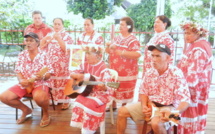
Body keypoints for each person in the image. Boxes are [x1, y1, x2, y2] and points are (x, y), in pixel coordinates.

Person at [116, 44, 191, 134]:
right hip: (151, 105)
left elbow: (185, 100)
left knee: (156, 123)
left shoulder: (176, 73)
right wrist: (144, 106)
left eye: (158, 56)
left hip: (169, 107)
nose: (154, 59)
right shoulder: (150, 72)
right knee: (121, 111)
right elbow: (143, 91)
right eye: (152, 56)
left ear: (168, 58)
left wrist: (174, 113)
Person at [0, 32, 53, 127]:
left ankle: (46, 113)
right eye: (27, 40)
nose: (28, 43)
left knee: (39, 98)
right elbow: (18, 71)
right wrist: (20, 80)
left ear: (37, 43)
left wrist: (43, 76)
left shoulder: (45, 55)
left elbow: (49, 74)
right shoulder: (22, 55)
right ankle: (26, 110)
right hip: (25, 83)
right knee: (4, 97)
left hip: (40, 82)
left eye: (31, 40)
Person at [177, 22, 213, 134]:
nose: (186, 36)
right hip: (197, 87)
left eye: (189, 33)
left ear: (198, 34)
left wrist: (181, 88)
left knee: (189, 114)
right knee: (195, 114)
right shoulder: (199, 44)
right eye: (185, 33)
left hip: (193, 89)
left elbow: (194, 75)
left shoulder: (199, 48)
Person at [69, 46, 112, 134]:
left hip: (101, 94)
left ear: (97, 55)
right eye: (86, 53)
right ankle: (83, 126)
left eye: (89, 54)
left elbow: (107, 87)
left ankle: (88, 129)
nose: (86, 56)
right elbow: (72, 74)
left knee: (89, 103)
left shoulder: (103, 68)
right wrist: (79, 76)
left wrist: (103, 86)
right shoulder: (84, 64)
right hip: (88, 91)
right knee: (78, 99)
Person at [106, 16, 141, 107]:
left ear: (128, 27)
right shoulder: (117, 38)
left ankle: (124, 107)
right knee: (113, 86)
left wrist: (122, 52)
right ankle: (112, 105)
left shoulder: (133, 40)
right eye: (120, 24)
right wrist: (108, 46)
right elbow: (108, 51)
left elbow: (137, 54)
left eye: (122, 25)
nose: (120, 26)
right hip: (114, 69)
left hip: (127, 72)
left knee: (125, 89)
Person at [40, 18, 73, 109]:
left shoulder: (67, 36)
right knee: (52, 81)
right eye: (55, 24)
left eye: (59, 24)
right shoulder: (49, 34)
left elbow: (66, 50)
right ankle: (54, 99)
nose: (57, 26)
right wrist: (44, 39)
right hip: (51, 64)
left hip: (63, 64)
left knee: (64, 82)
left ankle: (66, 101)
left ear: (63, 25)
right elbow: (41, 47)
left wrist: (59, 39)